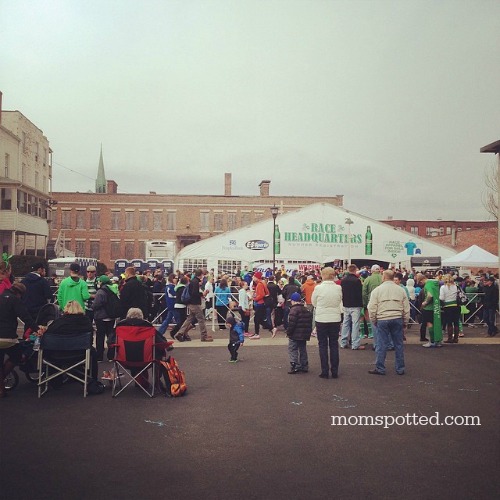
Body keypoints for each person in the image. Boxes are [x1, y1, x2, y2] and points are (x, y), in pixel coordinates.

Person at [0, 283, 42, 398]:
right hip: (7, 337)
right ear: (19, 293)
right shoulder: (14, 300)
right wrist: (37, 329)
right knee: (17, 356)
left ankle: (1, 389)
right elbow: (25, 317)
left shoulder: (1, 296)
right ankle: (2, 381)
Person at [43, 300, 99, 382]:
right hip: (80, 354)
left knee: (47, 350)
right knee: (93, 352)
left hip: (58, 354)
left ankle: (54, 380)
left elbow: (47, 336)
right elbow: (90, 340)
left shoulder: (58, 322)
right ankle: (92, 380)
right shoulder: (86, 321)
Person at [367, 270, 410, 376]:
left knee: (381, 344)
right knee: (398, 344)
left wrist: (374, 320)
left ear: (383, 277)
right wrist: (405, 321)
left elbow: (371, 307)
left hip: (382, 318)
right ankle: (400, 368)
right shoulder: (400, 290)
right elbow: (406, 307)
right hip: (397, 318)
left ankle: (380, 367)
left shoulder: (377, 290)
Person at [311, 267, 343, 379]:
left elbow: (313, 302)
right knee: (334, 344)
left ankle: (324, 371)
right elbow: (340, 300)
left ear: (322, 275)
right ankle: (335, 371)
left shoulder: (318, 288)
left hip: (321, 318)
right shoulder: (338, 288)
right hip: (335, 318)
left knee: (322, 345)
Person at [175, 269, 213, 342]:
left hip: (190, 303)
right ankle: (204, 336)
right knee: (201, 319)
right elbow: (194, 293)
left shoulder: (193, 281)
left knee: (189, 319)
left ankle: (179, 333)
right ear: (201, 275)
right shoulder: (195, 282)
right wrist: (202, 294)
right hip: (195, 303)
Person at [92, 275, 120, 361]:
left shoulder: (100, 292)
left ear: (101, 282)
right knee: (110, 336)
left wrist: (92, 306)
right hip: (111, 316)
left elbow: (96, 305)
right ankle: (111, 356)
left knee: (100, 336)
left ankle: (100, 356)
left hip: (101, 317)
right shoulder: (113, 289)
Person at [286, 292, 313, 374]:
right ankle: (304, 365)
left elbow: (291, 324)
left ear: (293, 301)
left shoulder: (293, 310)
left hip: (294, 334)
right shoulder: (306, 310)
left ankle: (294, 365)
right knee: (302, 349)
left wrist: (288, 332)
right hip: (304, 333)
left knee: (293, 349)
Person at [340, 264, 364, 350]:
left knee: (345, 323)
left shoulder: (343, 280)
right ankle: (355, 344)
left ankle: (343, 342)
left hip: (346, 304)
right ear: (355, 270)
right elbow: (359, 294)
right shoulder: (357, 281)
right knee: (355, 324)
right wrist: (361, 305)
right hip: (355, 305)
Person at [362, 264, 383, 350]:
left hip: (372, 303)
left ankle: (376, 344)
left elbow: (364, 293)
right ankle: (387, 343)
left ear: (372, 270)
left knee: (374, 323)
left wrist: (365, 304)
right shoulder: (383, 278)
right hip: (383, 304)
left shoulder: (368, 279)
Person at [249, 271, 272, 340]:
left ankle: (258, 333)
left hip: (260, 303)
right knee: (258, 319)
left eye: (254, 276)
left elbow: (261, 295)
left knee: (257, 319)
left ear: (257, 277)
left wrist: (254, 298)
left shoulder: (259, 284)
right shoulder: (262, 283)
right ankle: (270, 328)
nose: (252, 277)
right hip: (262, 303)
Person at [439, 274, 460, 343]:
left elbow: (441, 298)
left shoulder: (443, 287)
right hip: (456, 306)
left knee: (449, 323)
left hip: (447, 306)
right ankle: (456, 338)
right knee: (456, 322)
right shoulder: (456, 286)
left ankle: (450, 338)